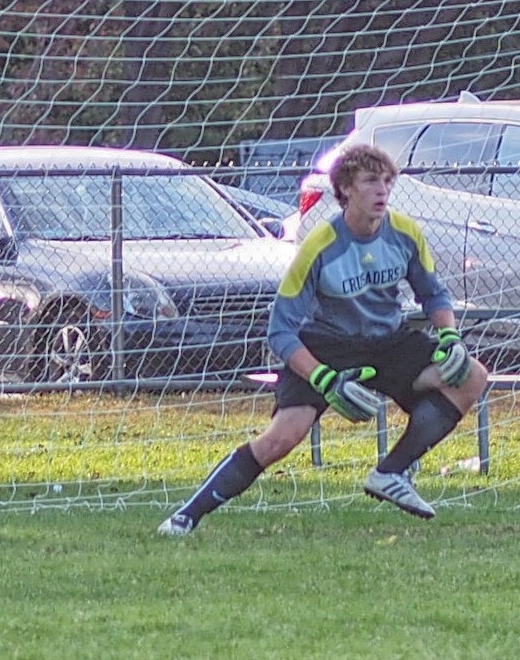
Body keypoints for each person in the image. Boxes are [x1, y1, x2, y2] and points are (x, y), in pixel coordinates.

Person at [157, 144, 489, 535]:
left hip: (388, 342)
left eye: (387, 181)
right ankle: (186, 516)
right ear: (345, 188)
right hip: (325, 348)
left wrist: (449, 335)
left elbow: (434, 295)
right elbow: (280, 331)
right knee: (282, 438)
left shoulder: (405, 232)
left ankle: (391, 472)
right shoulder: (320, 245)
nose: (382, 190)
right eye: (370, 181)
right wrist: (323, 378)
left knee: (471, 375)